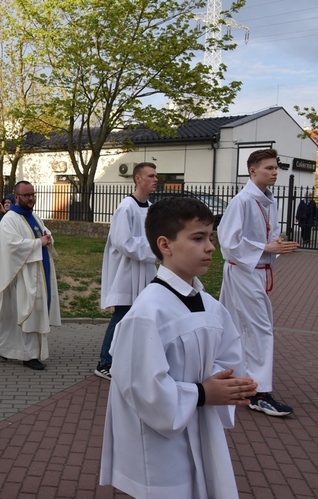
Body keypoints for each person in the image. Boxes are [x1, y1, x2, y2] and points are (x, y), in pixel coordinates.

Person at [100, 197, 257, 498]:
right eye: (198, 238)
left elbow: (228, 355)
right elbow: (142, 387)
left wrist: (227, 383)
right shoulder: (149, 311)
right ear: (165, 245)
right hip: (163, 444)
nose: (211, 246)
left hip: (202, 425)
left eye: (210, 236)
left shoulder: (211, 306)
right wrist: (201, 393)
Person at [218, 148, 299, 417]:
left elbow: (269, 236)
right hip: (244, 271)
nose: (274, 172)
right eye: (268, 168)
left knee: (240, 327)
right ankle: (259, 392)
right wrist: (266, 247)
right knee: (260, 329)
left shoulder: (268, 200)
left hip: (258, 270)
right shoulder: (242, 201)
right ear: (252, 171)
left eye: (276, 168)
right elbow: (228, 244)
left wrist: (276, 245)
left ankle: (239, 379)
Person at [94, 162, 158, 380]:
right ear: (138, 179)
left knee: (141, 316)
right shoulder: (126, 207)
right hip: (126, 272)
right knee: (121, 316)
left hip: (145, 270)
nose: (155, 179)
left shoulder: (149, 207)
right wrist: (155, 250)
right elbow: (123, 242)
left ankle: (131, 359)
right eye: (151, 175)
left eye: (155, 175)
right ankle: (105, 362)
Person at [0, 180, 60, 370]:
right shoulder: (9, 219)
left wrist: (48, 238)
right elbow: (12, 246)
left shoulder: (34, 216)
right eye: (27, 195)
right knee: (26, 313)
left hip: (38, 272)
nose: (31, 198)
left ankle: (6, 347)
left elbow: (43, 234)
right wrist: (39, 243)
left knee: (23, 313)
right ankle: (29, 356)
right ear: (17, 197)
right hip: (20, 274)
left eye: (33, 194)